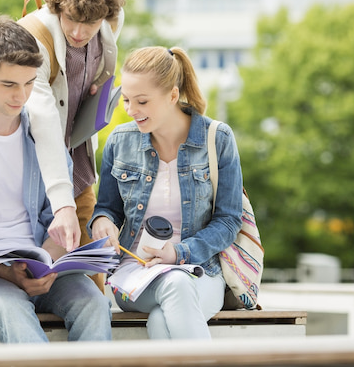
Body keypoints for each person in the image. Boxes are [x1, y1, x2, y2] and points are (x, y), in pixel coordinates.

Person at [0, 15, 112, 343]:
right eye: (9, 84)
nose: (21, 96)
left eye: (30, 83)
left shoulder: (43, 129)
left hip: (39, 264)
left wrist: (44, 266)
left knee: (93, 302)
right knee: (12, 308)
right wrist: (6, 273)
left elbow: (56, 219)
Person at [89, 46, 244, 340]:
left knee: (164, 316)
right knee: (176, 285)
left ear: (173, 96)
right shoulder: (120, 142)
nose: (131, 110)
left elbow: (228, 220)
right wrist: (102, 222)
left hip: (200, 272)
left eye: (142, 101)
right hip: (135, 275)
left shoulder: (218, 138)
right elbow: (107, 208)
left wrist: (179, 253)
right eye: (126, 100)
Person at [23, 0, 126, 291]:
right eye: (71, 19)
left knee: (92, 271)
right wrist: (62, 202)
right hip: (28, 163)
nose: (80, 32)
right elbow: (42, 120)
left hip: (78, 161)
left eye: (91, 24)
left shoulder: (111, 20)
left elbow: (99, 64)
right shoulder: (31, 38)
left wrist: (95, 83)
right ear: (56, 7)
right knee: (31, 272)